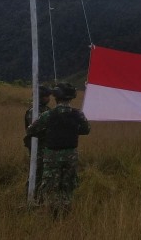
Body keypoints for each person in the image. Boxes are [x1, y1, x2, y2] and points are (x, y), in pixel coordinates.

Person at [26, 83, 90, 219]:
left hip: (52, 155)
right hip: (71, 155)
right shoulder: (78, 114)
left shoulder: (48, 115)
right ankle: (65, 214)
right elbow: (86, 130)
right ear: (71, 97)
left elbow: (31, 130)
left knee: (50, 186)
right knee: (67, 184)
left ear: (56, 98)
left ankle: (51, 216)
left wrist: (49, 132)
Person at [24, 85, 52, 200]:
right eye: (46, 96)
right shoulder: (33, 111)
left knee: (45, 174)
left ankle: (41, 197)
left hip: (47, 147)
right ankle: (31, 197)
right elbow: (35, 129)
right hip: (37, 147)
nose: (48, 98)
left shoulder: (47, 110)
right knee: (35, 173)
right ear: (40, 97)